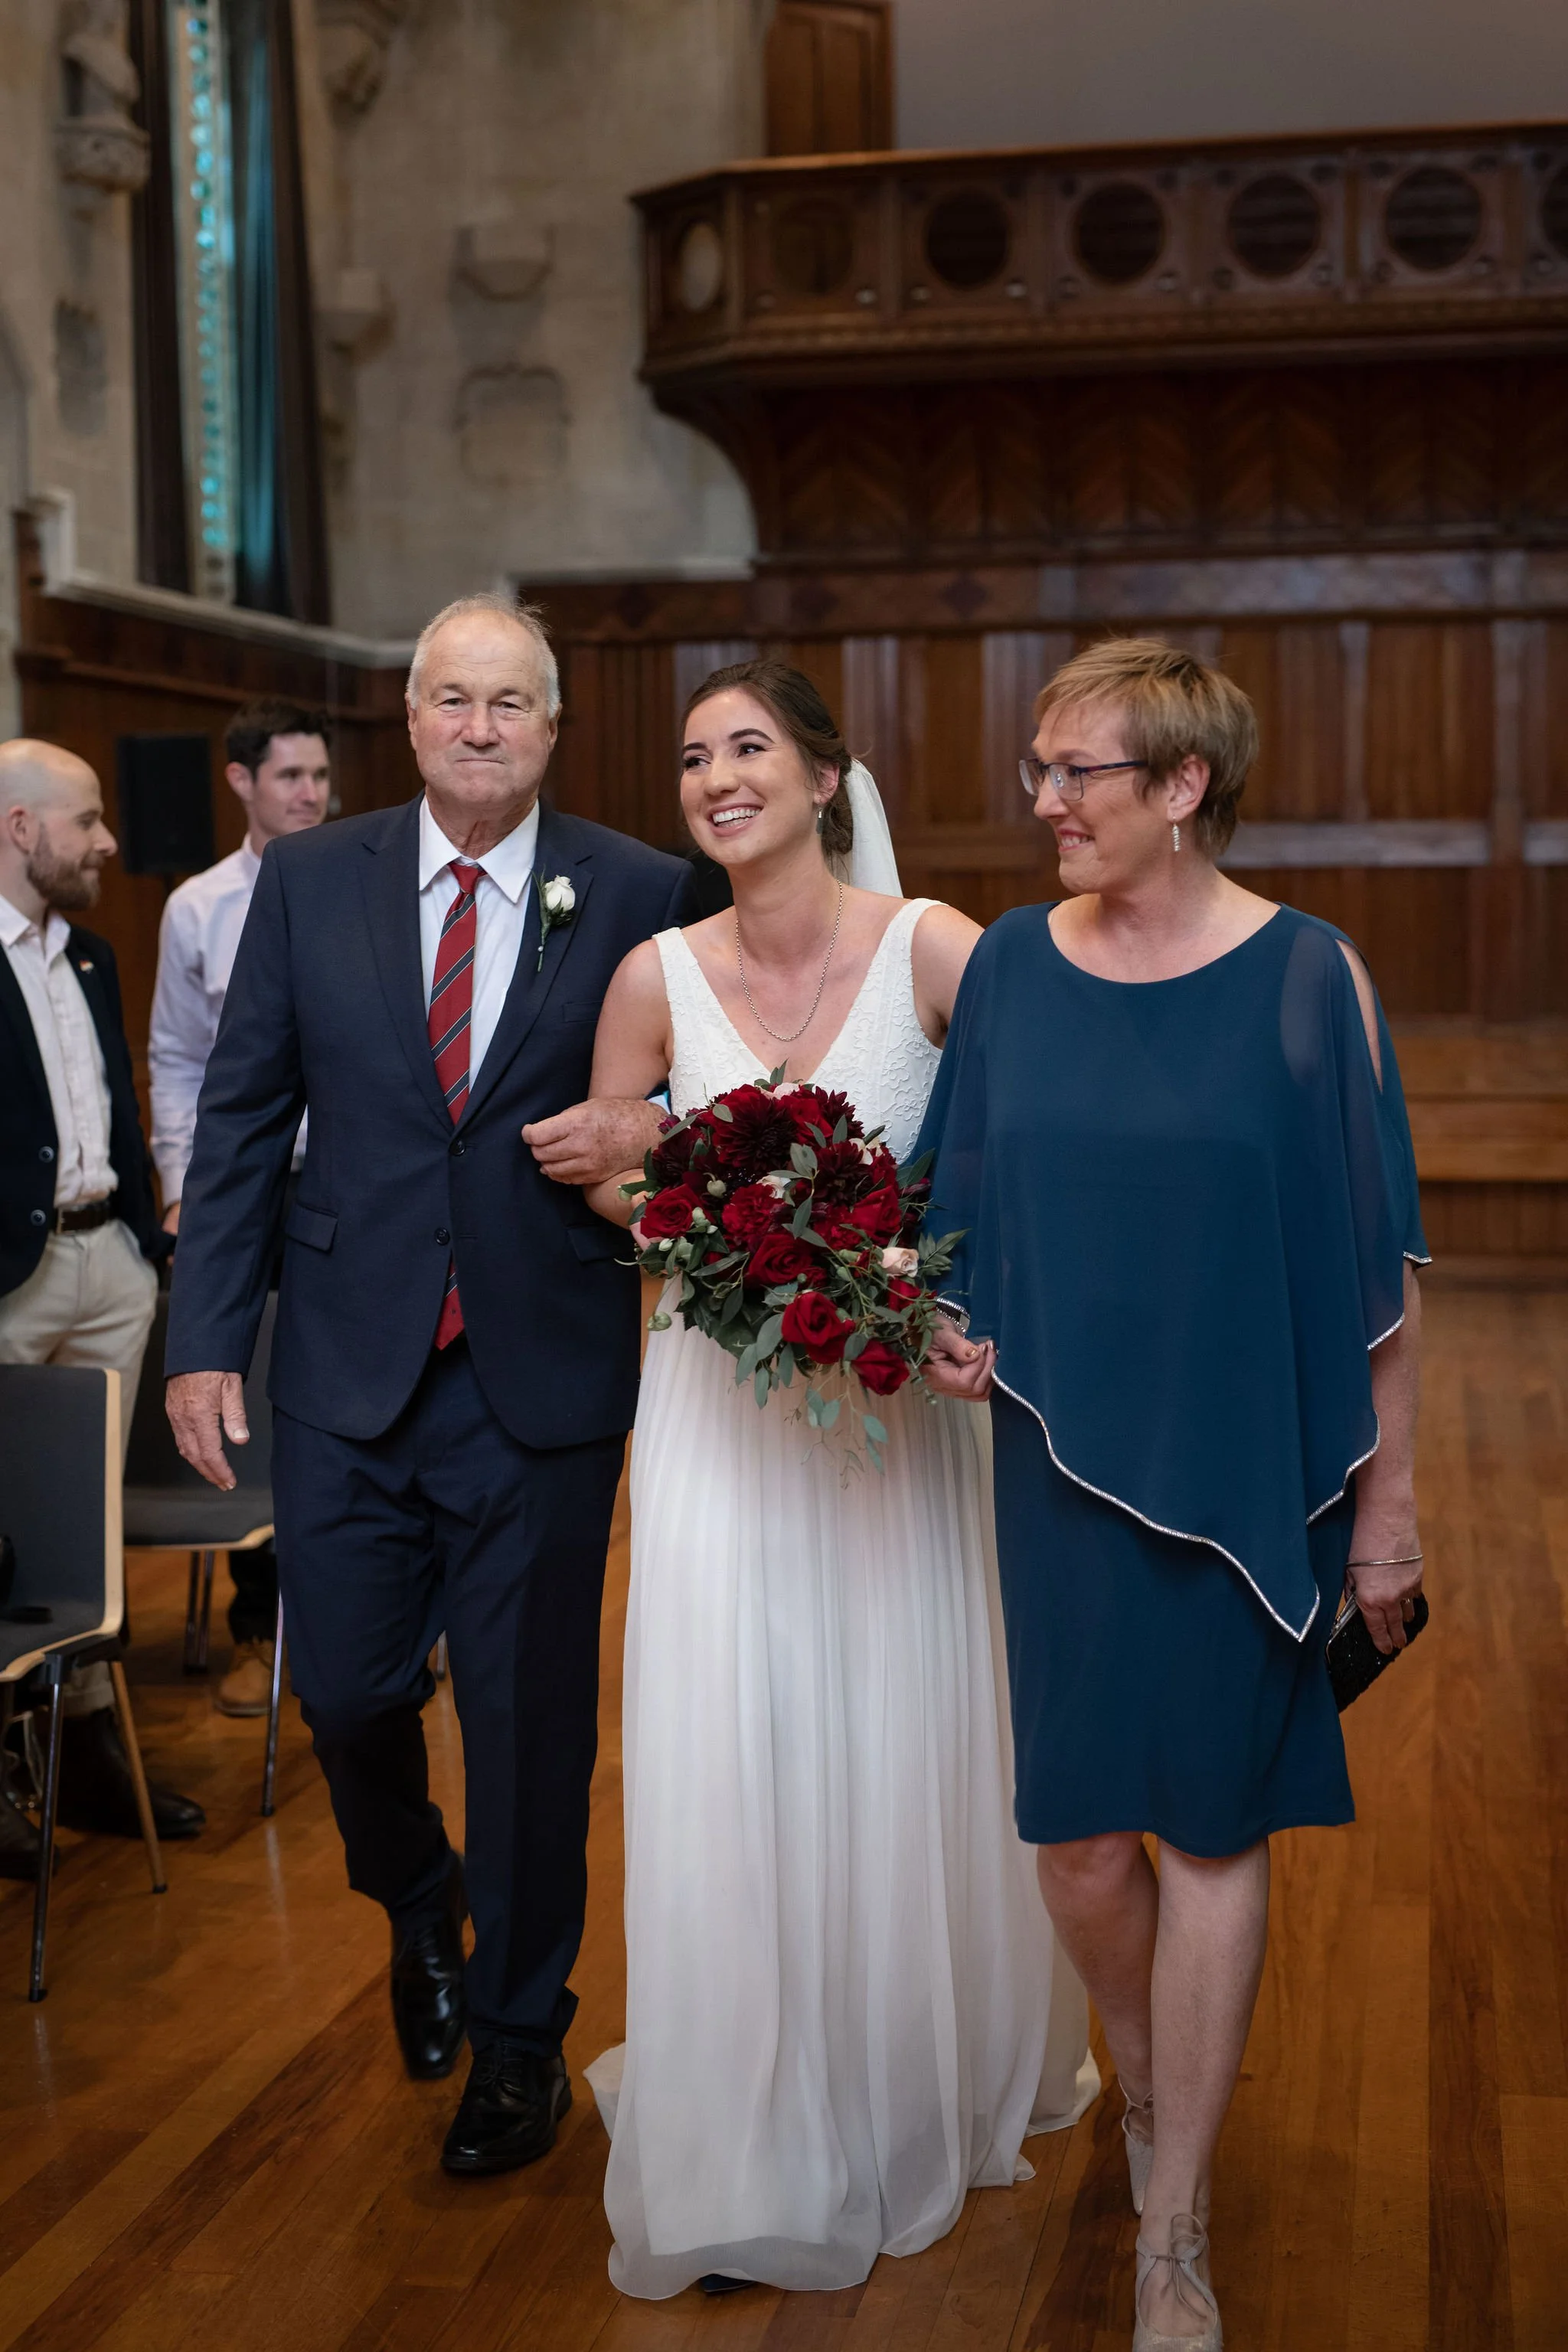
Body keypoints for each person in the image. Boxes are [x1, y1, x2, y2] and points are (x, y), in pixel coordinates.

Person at [916, 639, 1427, 2351]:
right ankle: (1146, 2090)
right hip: (1056, 1462)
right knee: (1074, 1848)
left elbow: (1379, 1270)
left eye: (1076, 774)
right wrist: (937, 1315)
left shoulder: (1308, 980)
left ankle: (1177, 2222)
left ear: (1183, 786)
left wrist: (1388, 1509)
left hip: (1244, 1472)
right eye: (1038, 771)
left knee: (1211, 1827)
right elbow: (956, 1205)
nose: (1040, 802)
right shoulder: (1000, 967)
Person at [577, 659, 1097, 2299]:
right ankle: (743, 2128)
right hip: (718, 1402)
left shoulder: (933, 945)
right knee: (727, 1731)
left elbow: (1041, 1129)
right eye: (691, 757)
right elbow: (606, 1162)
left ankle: (898, 2089)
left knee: (891, 1729)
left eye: (748, 749)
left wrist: (918, 1291)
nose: (715, 776)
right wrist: (714, 1221)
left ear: (822, 779)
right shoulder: (655, 970)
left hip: (890, 1413)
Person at [163, 595, 697, 2176]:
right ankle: (419, 1900)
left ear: (551, 726)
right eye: (451, 700)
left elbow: (705, 1087)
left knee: (532, 1725)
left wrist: (648, 1134)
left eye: (509, 703)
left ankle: (523, 2039)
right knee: (344, 1692)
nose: (479, 727)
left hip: (539, 1372)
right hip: (342, 1364)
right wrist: (205, 1339)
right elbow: (247, 1113)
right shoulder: (310, 881)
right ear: (410, 723)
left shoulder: (638, 887)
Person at [0, 738, 205, 1877]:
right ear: (23, 827)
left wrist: (141, 1239)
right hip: (12, 1277)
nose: (108, 841)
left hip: (106, 1264)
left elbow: (119, 1101)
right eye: (85, 821)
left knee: (92, 1527)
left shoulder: (90, 956)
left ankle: (86, 1750)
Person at [149, 699, 332, 1717]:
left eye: (318, 776)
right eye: (289, 777)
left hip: (340, 1184)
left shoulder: (358, 882)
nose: (308, 794)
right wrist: (185, 1188)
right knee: (247, 1398)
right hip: (242, 1190)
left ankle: (378, 1613)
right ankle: (260, 1626)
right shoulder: (198, 908)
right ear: (241, 784)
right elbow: (177, 1059)